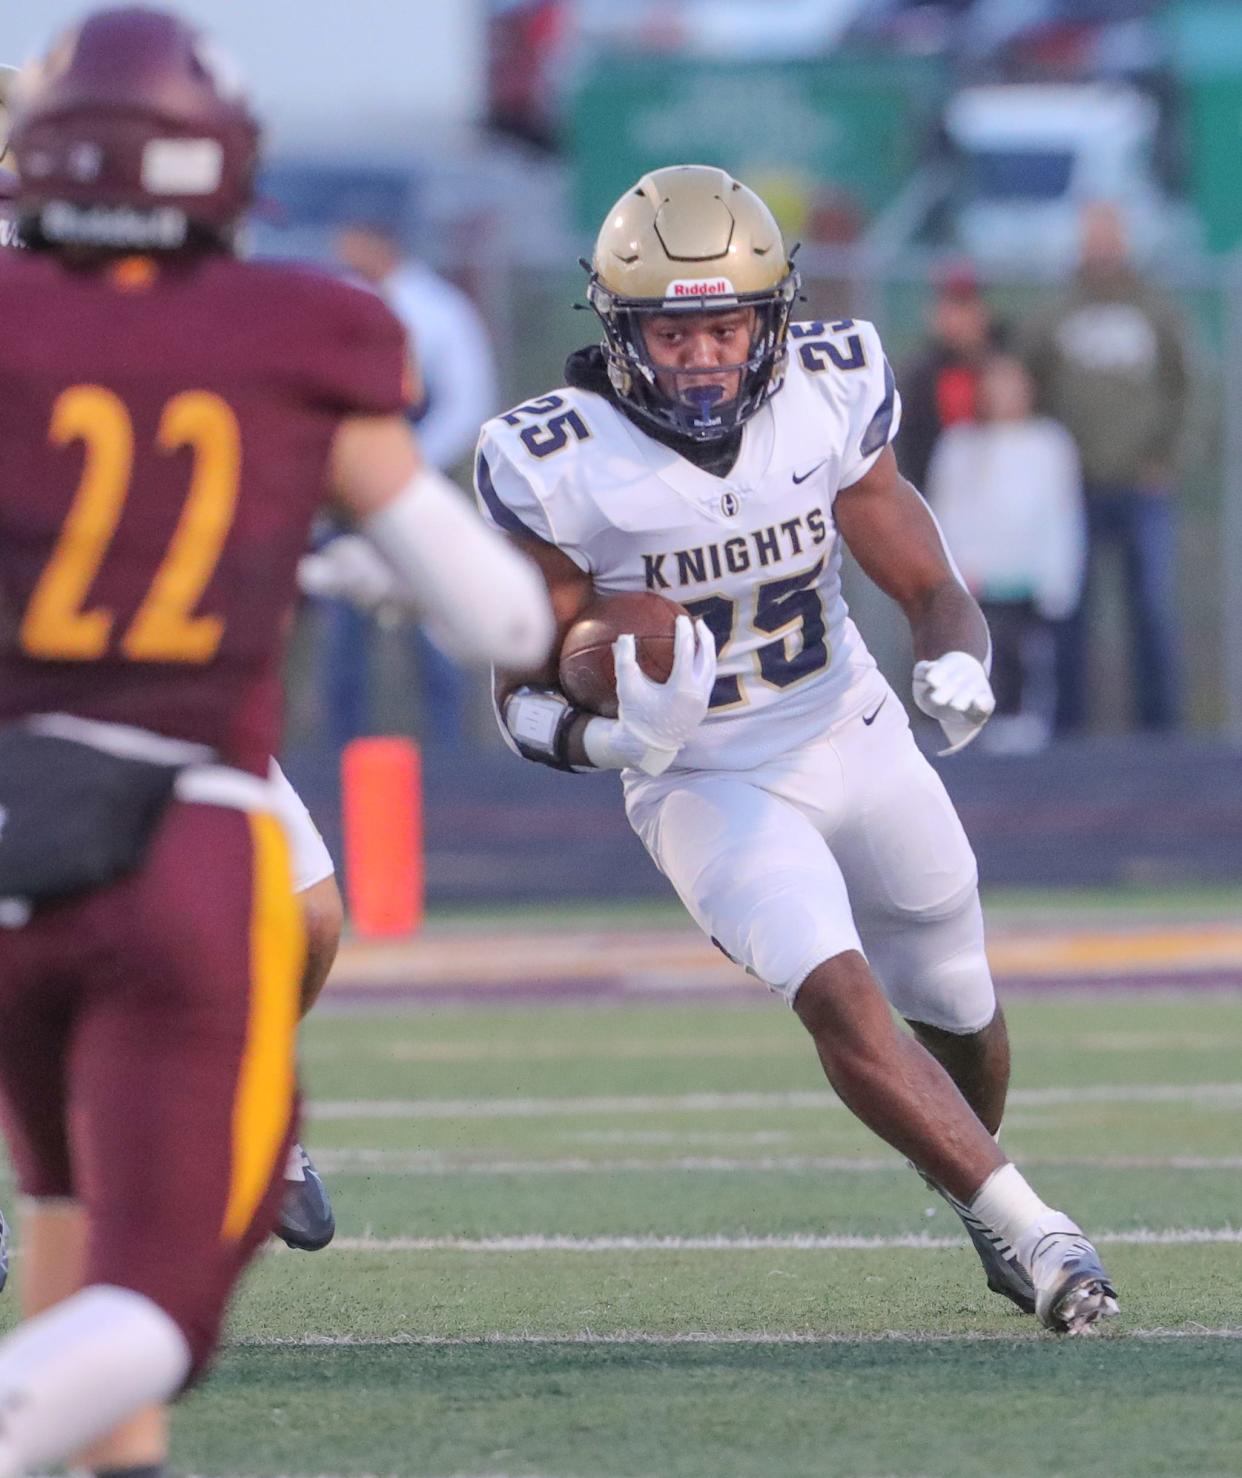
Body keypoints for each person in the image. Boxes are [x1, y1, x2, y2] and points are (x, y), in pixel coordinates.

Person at [0, 14, 553, 1478]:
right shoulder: (291, 328)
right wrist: (366, 557)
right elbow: (502, 618)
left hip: (14, 827)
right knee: (171, 1288)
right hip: (181, 837)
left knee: (65, 1198)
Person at [479, 165, 1117, 1334]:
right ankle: (1040, 1231)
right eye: (676, 331)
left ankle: (977, 1192)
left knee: (961, 1004)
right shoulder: (556, 458)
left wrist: (955, 651)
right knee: (838, 988)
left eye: (727, 324)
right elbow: (519, 698)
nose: (706, 355)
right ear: (623, 332)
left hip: (850, 726)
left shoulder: (832, 388)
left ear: (773, 319)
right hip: (707, 778)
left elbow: (926, 572)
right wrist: (621, 727)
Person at [319, 207, 501, 750]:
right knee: (345, 624)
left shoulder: (437, 309)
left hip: (420, 483)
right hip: (349, 492)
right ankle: (336, 755)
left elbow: (467, 401)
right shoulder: (339, 301)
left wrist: (403, 463)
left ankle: (449, 758)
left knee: (434, 617)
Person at [1021, 201, 1190, 734]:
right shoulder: (1056, 311)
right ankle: (1070, 732)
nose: (1101, 247)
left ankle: (1162, 734)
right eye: (1092, 236)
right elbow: (1029, 385)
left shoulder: (1156, 309)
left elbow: (1187, 389)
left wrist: (1168, 456)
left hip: (1142, 487)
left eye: (1110, 236)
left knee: (1151, 612)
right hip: (1074, 489)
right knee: (1069, 613)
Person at [925, 352, 1086, 752]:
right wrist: (955, 574)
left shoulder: (1049, 444)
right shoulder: (959, 446)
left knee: (1026, 659)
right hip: (977, 582)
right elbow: (943, 513)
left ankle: (1023, 725)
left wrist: (1056, 578)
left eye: (1012, 384)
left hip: (1027, 582)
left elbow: (1061, 514)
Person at [893, 260, 1000, 494]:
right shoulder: (919, 379)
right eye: (950, 306)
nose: (958, 318)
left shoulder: (1004, 367)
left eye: (965, 306)